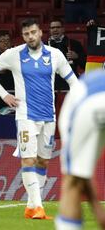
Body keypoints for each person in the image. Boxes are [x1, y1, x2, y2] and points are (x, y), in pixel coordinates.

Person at [0, 18, 78, 219]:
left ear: (40, 32)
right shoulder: (14, 54)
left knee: (43, 161)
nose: (30, 37)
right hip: (25, 115)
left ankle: (31, 205)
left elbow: (73, 82)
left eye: (33, 32)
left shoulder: (55, 55)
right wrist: (4, 95)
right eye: (26, 34)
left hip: (49, 117)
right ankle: (37, 207)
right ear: (23, 36)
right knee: (28, 158)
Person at [55, 69, 105, 230]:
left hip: (86, 104)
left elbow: (79, 175)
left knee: (72, 182)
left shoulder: (80, 90)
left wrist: (98, 211)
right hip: (87, 101)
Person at [48, 19, 86, 90]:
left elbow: (85, 65)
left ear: (63, 29)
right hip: (51, 84)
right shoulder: (43, 46)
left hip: (70, 83)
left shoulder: (75, 44)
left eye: (58, 27)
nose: (55, 29)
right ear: (50, 30)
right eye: (52, 28)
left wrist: (77, 57)